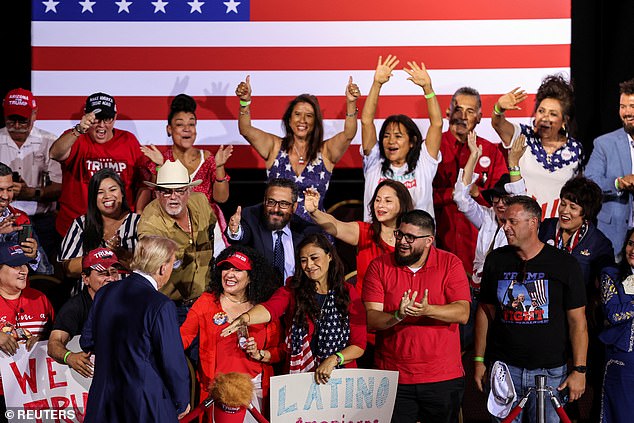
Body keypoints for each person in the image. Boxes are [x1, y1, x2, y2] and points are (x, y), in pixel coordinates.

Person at [474, 196, 588, 423]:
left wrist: (580, 370)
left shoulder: (564, 264)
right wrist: (478, 360)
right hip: (504, 371)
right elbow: (485, 312)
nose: (505, 227)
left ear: (534, 223)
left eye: (512, 222)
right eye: (504, 221)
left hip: (550, 373)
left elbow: (578, 322)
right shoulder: (496, 260)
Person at [363, 209, 470, 423]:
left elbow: (463, 313)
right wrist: (397, 315)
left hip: (442, 377)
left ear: (429, 240)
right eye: (399, 234)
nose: (402, 241)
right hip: (392, 377)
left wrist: (427, 310)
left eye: (410, 237)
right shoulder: (379, 266)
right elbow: (372, 318)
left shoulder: (450, 263)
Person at [221, 233, 367, 384]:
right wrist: (245, 318)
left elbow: (359, 345)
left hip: (338, 378)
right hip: (300, 380)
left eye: (314, 258)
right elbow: (270, 309)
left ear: (329, 256)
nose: (309, 265)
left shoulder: (348, 292)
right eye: (303, 260)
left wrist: (334, 359)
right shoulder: (293, 289)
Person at [80, 235, 190, 422]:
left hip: (104, 402)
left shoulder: (105, 292)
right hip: (144, 406)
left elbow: (87, 340)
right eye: (173, 263)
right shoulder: (161, 304)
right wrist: (181, 401)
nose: (173, 269)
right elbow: (172, 361)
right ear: (163, 267)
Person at [537, 176, 614, 421]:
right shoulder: (545, 228)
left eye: (573, 207)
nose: (565, 211)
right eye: (564, 203)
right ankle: (567, 415)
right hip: (546, 317)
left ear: (586, 214)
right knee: (553, 376)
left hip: (581, 320)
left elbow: (604, 285)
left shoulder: (599, 243)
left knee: (590, 376)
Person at [235, 75, 359, 221]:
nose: (302, 120)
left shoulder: (325, 151)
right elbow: (246, 129)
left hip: (314, 234)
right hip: (277, 230)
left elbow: (348, 134)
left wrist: (351, 102)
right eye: (297, 114)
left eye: (309, 116)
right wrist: (245, 102)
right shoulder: (274, 147)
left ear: (315, 122)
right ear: (289, 119)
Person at [180, 246, 282, 421]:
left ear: (251, 277)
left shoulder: (264, 309)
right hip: (216, 393)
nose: (229, 274)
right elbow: (182, 339)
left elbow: (279, 352)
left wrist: (260, 354)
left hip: (254, 391)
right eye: (226, 268)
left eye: (237, 269)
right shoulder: (206, 302)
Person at [453, 133, 527, 350]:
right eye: (496, 198)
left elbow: (520, 196)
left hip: (504, 294)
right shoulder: (486, 216)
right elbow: (460, 198)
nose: (499, 204)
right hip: (477, 293)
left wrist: (513, 165)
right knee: (466, 345)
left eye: (505, 199)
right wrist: (473, 156)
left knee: (500, 346)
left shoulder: (520, 225)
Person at [49, 92, 152, 238]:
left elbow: (143, 182)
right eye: (96, 119)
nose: (102, 126)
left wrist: (139, 213)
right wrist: (78, 130)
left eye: (107, 119)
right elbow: (55, 153)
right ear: (86, 116)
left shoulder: (128, 140)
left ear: (115, 118)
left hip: (120, 229)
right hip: (77, 230)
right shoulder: (75, 138)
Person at [141, 93, 233, 256]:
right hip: (171, 228)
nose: (187, 129)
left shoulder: (208, 158)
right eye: (180, 124)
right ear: (169, 129)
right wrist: (159, 166)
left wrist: (219, 166)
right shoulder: (162, 159)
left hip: (207, 229)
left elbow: (222, 198)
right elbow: (156, 200)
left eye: (192, 124)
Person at [433, 87, 507, 274]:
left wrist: (476, 193)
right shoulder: (432, 148)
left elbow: (504, 197)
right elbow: (419, 193)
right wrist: (454, 193)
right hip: (437, 246)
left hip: (477, 252)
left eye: (470, 111)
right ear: (448, 112)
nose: (463, 116)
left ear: (480, 117)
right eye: (458, 109)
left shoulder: (491, 151)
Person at [361, 55, 442, 221]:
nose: (391, 141)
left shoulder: (423, 163)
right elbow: (366, 121)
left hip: (416, 243)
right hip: (377, 242)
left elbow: (437, 124)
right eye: (386, 136)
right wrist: (376, 84)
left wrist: (428, 89)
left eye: (398, 136)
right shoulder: (374, 161)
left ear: (412, 142)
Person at [492, 74, 583, 219]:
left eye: (553, 114)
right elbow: (498, 123)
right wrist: (499, 108)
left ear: (564, 121)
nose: (545, 117)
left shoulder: (576, 150)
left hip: (556, 227)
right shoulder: (522, 136)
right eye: (541, 111)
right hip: (522, 223)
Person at [138, 159, 215, 325]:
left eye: (179, 191)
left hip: (206, 301)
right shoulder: (150, 221)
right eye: (166, 192)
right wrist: (179, 252)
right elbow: (152, 256)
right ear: (157, 194)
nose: (173, 197)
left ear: (189, 191)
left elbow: (214, 232)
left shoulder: (200, 202)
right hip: (169, 306)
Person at [304, 179, 414, 295]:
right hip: (363, 308)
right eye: (377, 200)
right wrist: (315, 212)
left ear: (402, 204)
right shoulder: (364, 232)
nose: (380, 205)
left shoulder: (413, 239)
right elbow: (334, 225)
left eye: (388, 201)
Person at [0, 88, 62, 263]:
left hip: (42, 222)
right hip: (3, 221)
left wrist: (33, 192)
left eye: (23, 120)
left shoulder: (49, 141)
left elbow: (61, 187)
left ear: (35, 115)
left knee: (42, 273)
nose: (18, 126)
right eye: (12, 120)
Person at [225, 178, 320, 281]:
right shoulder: (251, 217)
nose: (276, 209)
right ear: (264, 201)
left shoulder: (305, 230)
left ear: (294, 207)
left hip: (294, 293)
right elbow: (242, 235)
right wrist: (235, 231)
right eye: (271, 202)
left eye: (283, 204)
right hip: (261, 294)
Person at [47, 248, 121, 378]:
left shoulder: (129, 301)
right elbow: (54, 344)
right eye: (102, 273)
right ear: (85, 278)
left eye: (113, 272)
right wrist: (69, 357)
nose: (110, 278)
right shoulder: (75, 307)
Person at [0, 241, 54, 414]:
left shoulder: (40, 299)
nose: (24, 270)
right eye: (16, 265)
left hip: (37, 390)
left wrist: (44, 341)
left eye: (25, 264)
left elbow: (59, 336)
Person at [59, 168, 139, 281]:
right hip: (91, 295)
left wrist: (120, 253)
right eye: (100, 192)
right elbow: (68, 268)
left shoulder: (139, 223)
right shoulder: (81, 224)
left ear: (122, 193)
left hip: (129, 292)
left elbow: (147, 267)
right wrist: (103, 255)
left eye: (112, 190)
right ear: (93, 198)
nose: (107, 196)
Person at [585, 77, 634, 256]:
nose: (627, 112)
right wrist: (618, 183)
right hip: (613, 236)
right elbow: (590, 182)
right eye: (623, 107)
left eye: (632, 106)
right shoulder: (604, 144)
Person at [598, 228, 634, 422]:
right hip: (623, 362)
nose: (633, 249)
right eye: (630, 243)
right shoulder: (611, 274)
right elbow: (614, 314)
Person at [0, 162, 51, 275]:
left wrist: (34, 255)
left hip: (17, 290)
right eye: (0, 189)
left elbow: (45, 270)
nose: (5, 196)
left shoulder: (20, 218)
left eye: (9, 189)